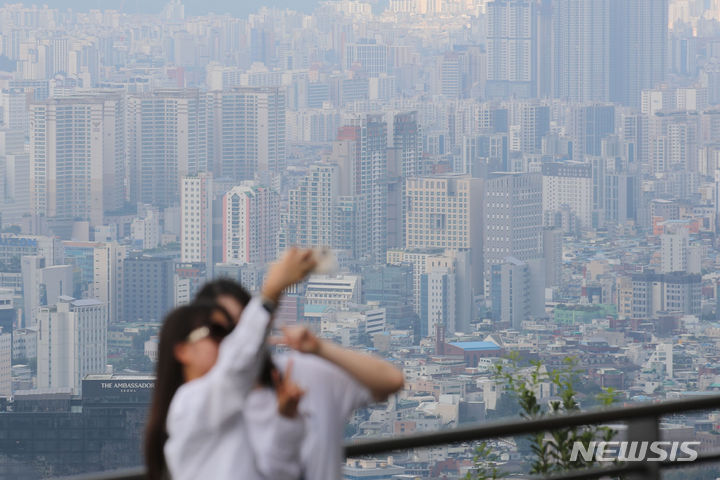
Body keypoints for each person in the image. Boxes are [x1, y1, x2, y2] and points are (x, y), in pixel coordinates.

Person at [196, 278, 405, 480]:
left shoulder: (304, 373)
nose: (237, 340)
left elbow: (391, 380)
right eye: (222, 330)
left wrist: (320, 348)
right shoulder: (200, 405)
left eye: (244, 327)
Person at [144, 248, 315, 480]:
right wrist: (269, 295)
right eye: (215, 332)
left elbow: (277, 474)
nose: (227, 341)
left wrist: (285, 418)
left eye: (232, 332)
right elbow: (234, 367)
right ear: (183, 351)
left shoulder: (230, 405)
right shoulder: (190, 402)